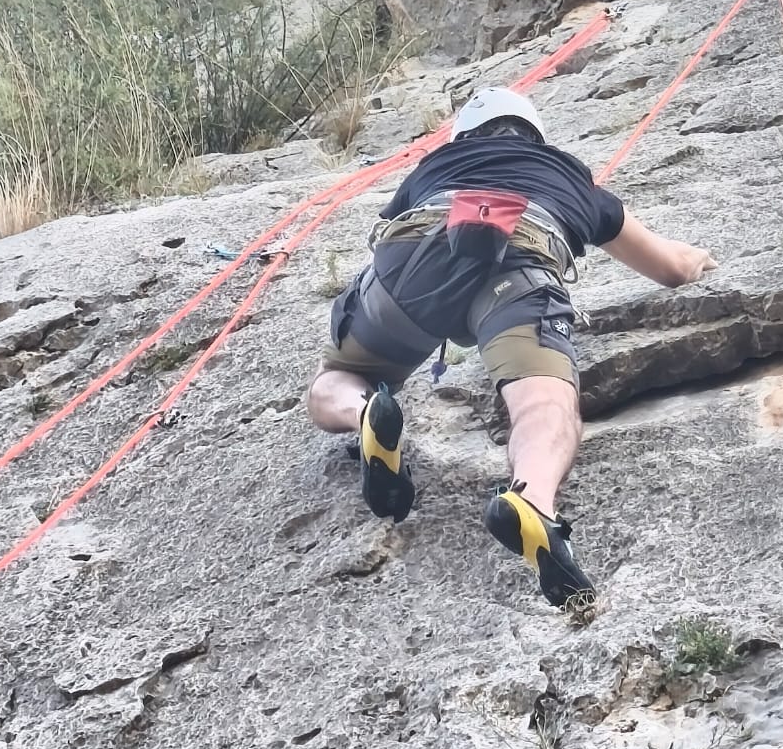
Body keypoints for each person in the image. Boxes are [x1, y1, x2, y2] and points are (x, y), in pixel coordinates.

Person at [306, 86, 717, 608]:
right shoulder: (572, 176)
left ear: (464, 137)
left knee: (337, 377)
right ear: (535, 135)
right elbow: (670, 268)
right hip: (518, 259)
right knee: (545, 405)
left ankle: (364, 411)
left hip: (411, 263)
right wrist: (699, 257)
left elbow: (386, 226)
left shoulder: (436, 164)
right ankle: (533, 504)